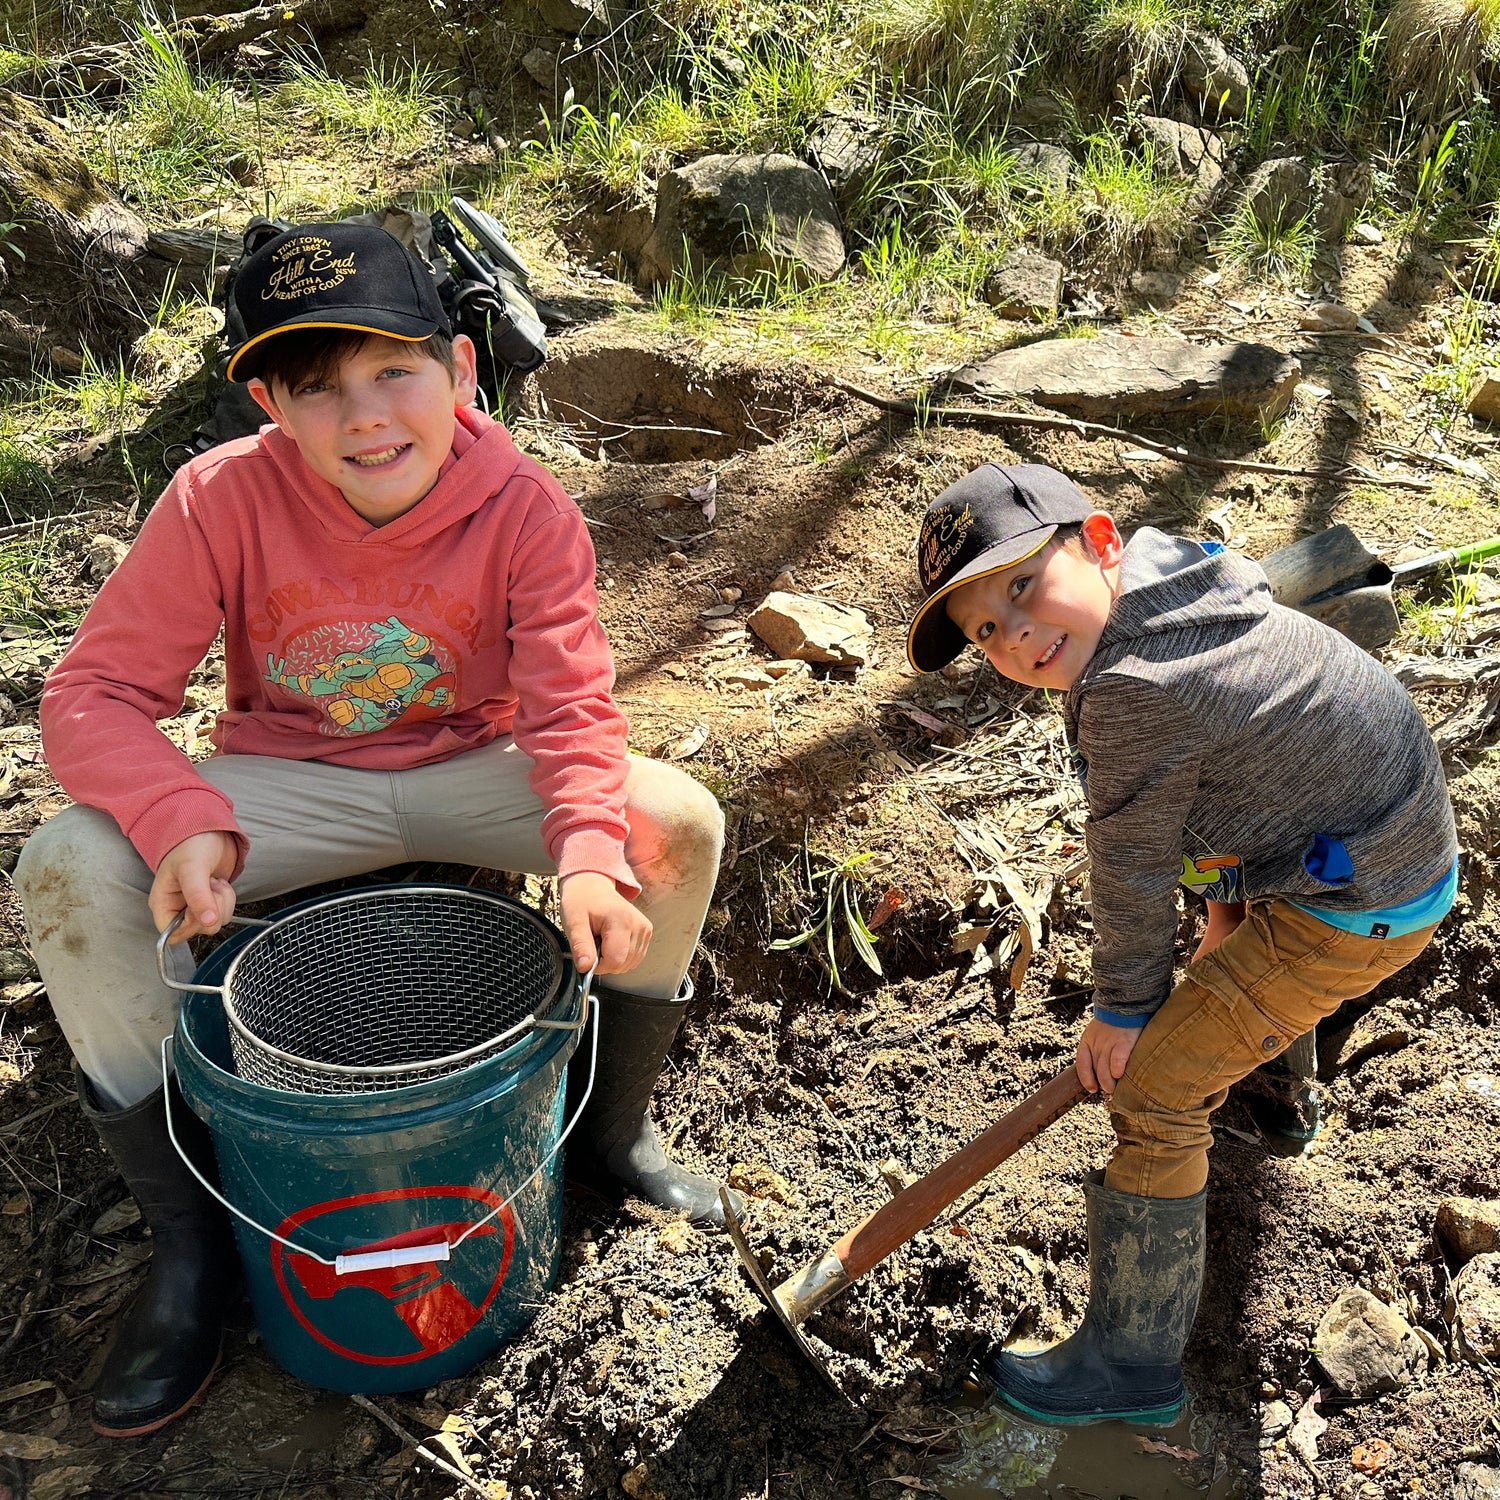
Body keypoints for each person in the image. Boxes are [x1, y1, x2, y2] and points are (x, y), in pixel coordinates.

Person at [17, 222, 732, 1439]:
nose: (364, 417)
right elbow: (88, 698)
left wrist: (589, 857)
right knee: (70, 867)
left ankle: (611, 1133)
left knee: (676, 821)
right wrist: (181, 818)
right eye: (318, 388)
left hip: (473, 765)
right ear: (269, 403)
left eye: (393, 370)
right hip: (287, 782)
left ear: (459, 370)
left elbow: (571, 705)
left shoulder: (523, 505)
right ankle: (188, 1246)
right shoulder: (218, 499)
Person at [905, 462, 1457, 1425]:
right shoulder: (1177, 583)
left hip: (1359, 891)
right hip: (1365, 837)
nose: (1018, 632)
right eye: (985, 629)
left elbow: (1132, 860)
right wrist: (1221, 920)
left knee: (1158, 1086)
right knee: (1233, 963)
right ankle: (1287, 1102)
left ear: (1103, 542)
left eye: (1024, 585)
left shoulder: (1133, 686)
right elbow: (1220, 782)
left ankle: (1132, 1369)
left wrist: (1123, 1008)